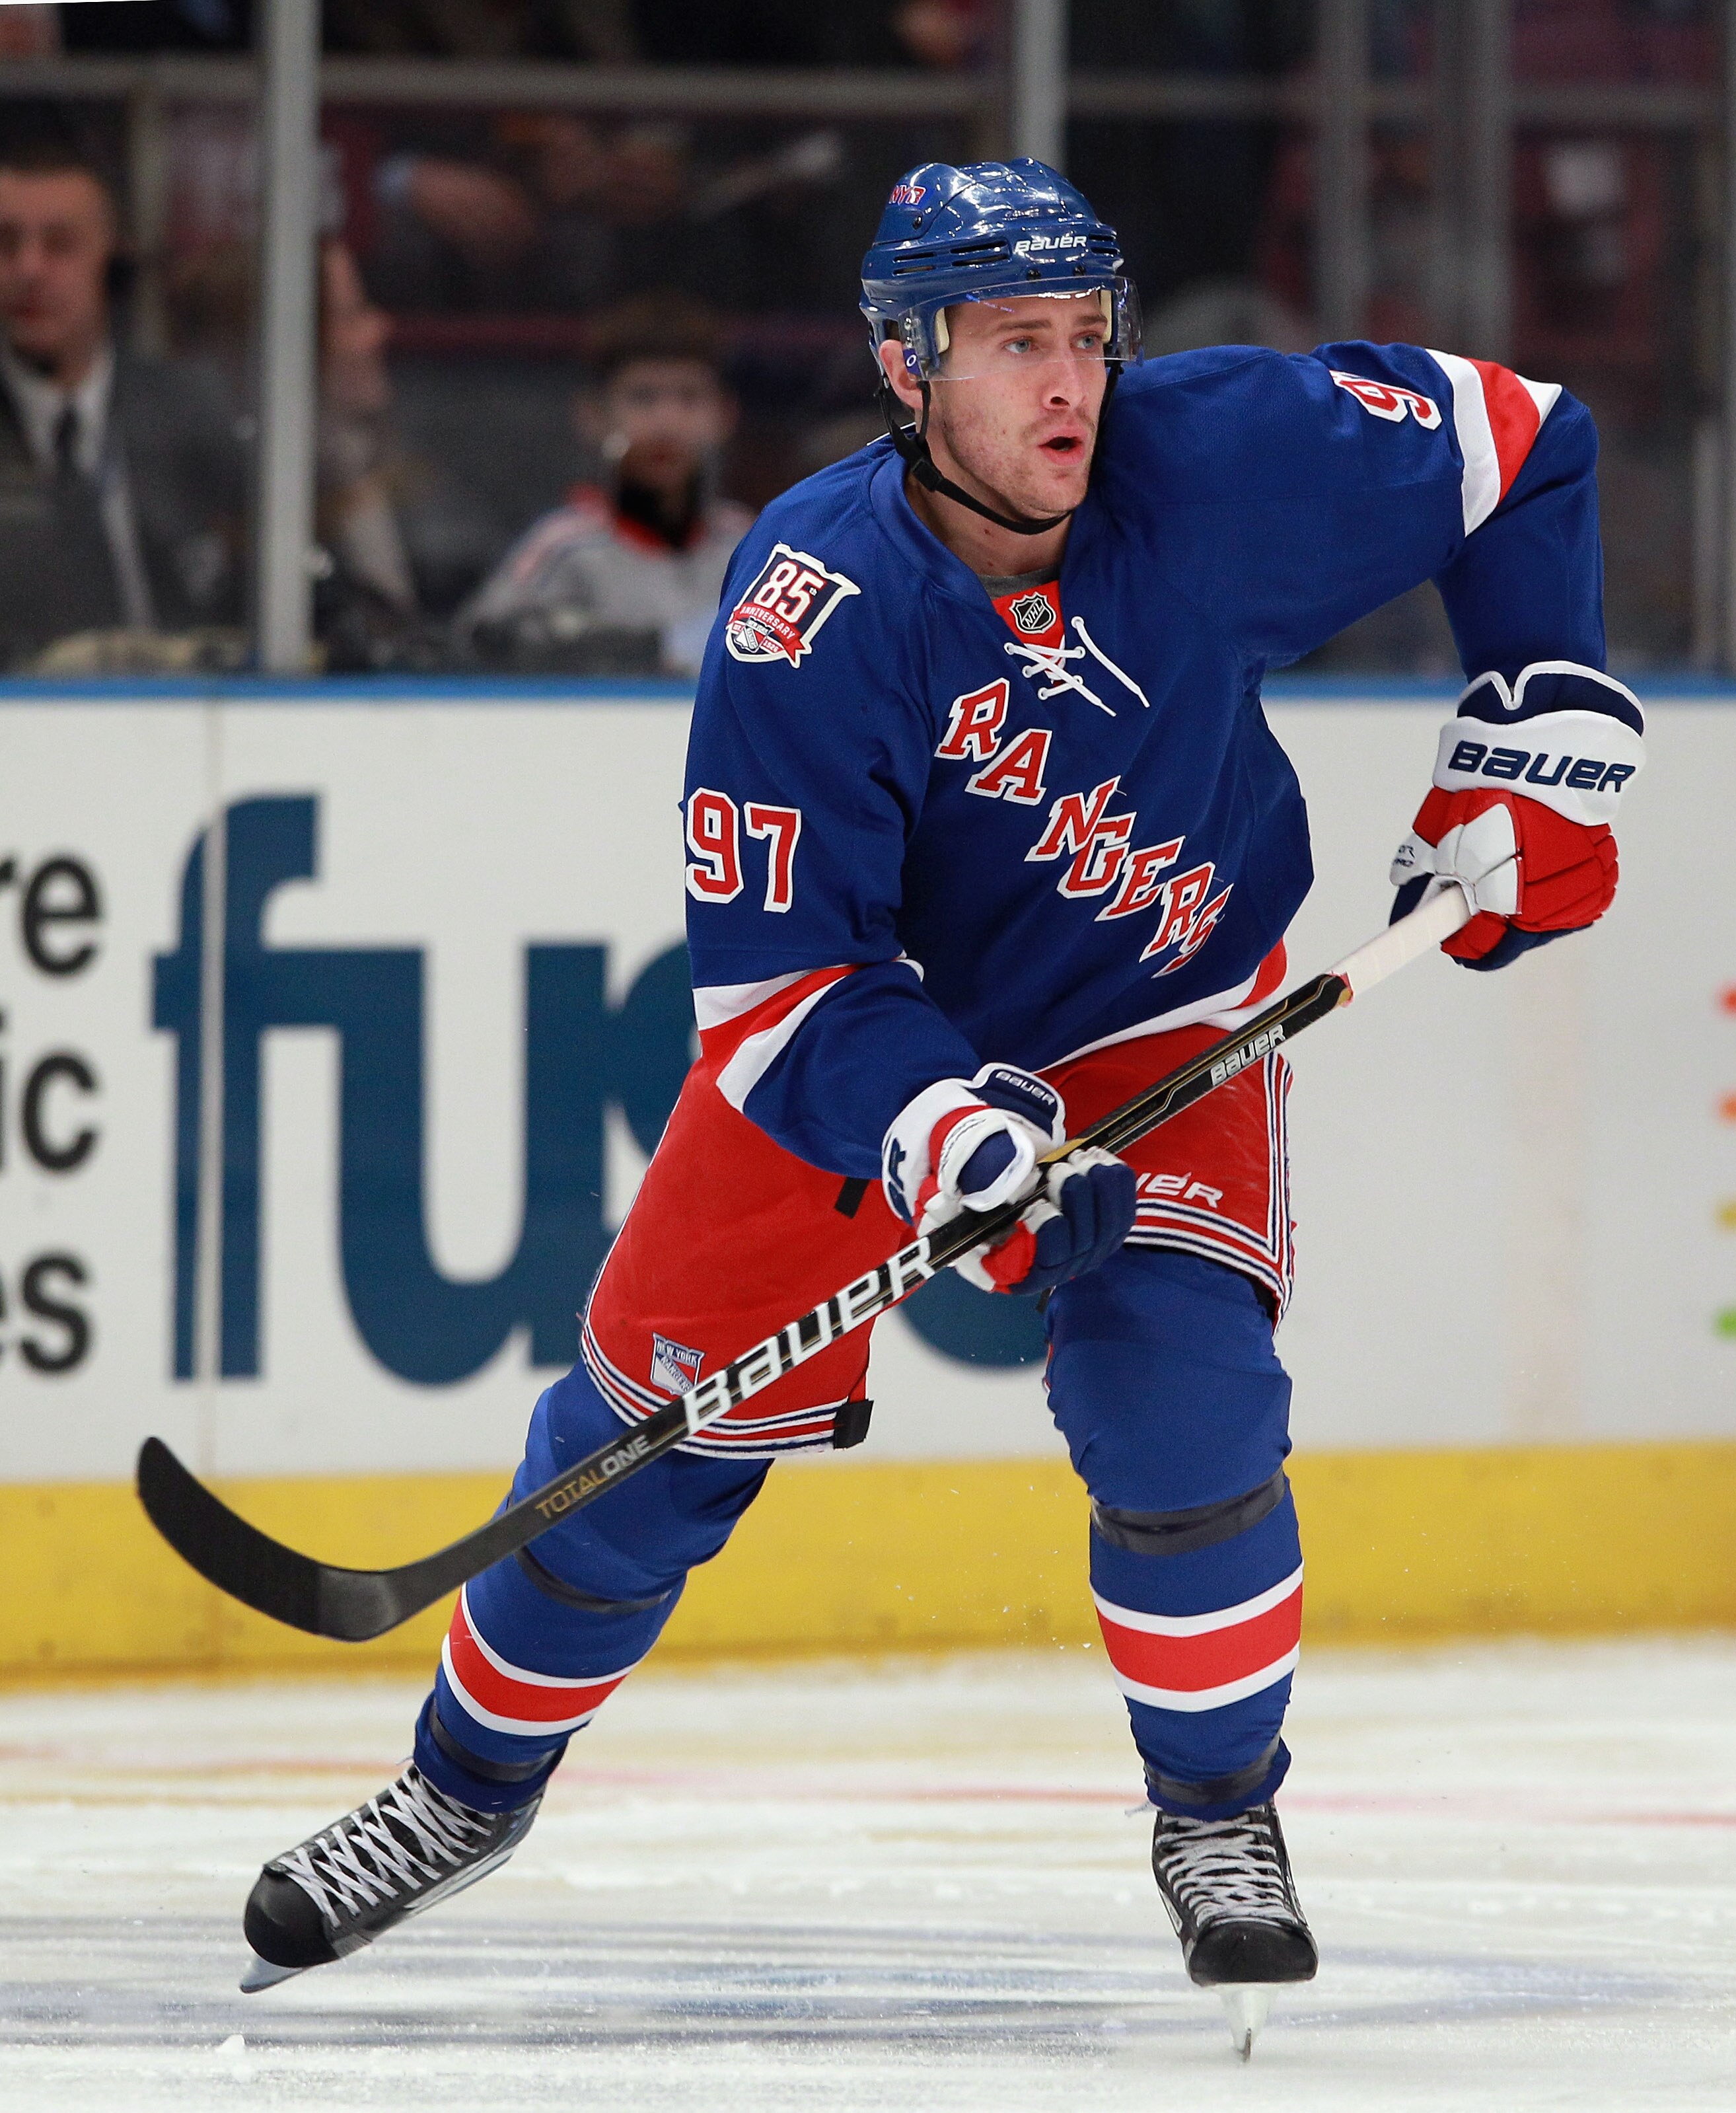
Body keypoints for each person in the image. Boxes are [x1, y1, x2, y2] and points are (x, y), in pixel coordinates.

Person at [237, 161, 1640, 2044]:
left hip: (1160, 1001)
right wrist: (941, 1125)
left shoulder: (1214, 455)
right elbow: (776, 982)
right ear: (908, 366)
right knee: (649, 1433)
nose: (1068, 386)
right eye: (1011, 346)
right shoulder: (808, 607)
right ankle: (460, 1793)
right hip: (870, 1032)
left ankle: (1218, 1814)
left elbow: (1526, 444)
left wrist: (1528, 717)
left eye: (1082, 338)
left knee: (1176, 1386)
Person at [0, 130, 246, 669]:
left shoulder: (194, 415)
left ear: (113, 266)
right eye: (6, 243)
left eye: (60, 244)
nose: (28, 270)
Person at [458, 297, 750, 675]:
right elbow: (482, 642)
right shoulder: (564, 547)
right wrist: (653, 650)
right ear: (594, 417)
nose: (667, 421)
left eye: (689, 397)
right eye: (643, 398)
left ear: (725, 417)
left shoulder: (753, 544)